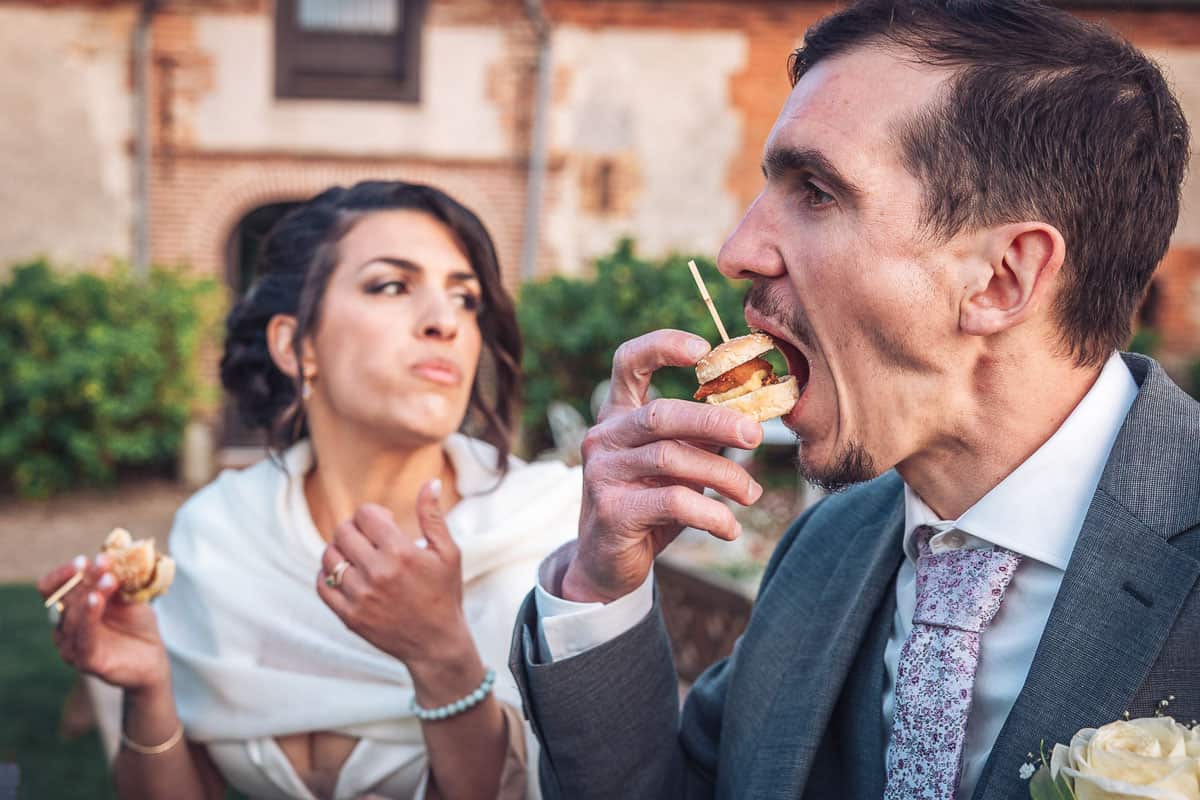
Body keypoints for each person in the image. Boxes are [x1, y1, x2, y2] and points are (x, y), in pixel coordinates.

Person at [508, 2, 1200, 799]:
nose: (738, 251)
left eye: (817, 191)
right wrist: (600, 590)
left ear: (1003, 277)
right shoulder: (825, 547)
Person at [39, 181, 581, 800]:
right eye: (391, 286)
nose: (446, 322)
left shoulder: (550, 532)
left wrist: (442, 659)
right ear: (295, 345)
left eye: (465, 298)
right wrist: (151, 690)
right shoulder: (221, 531)